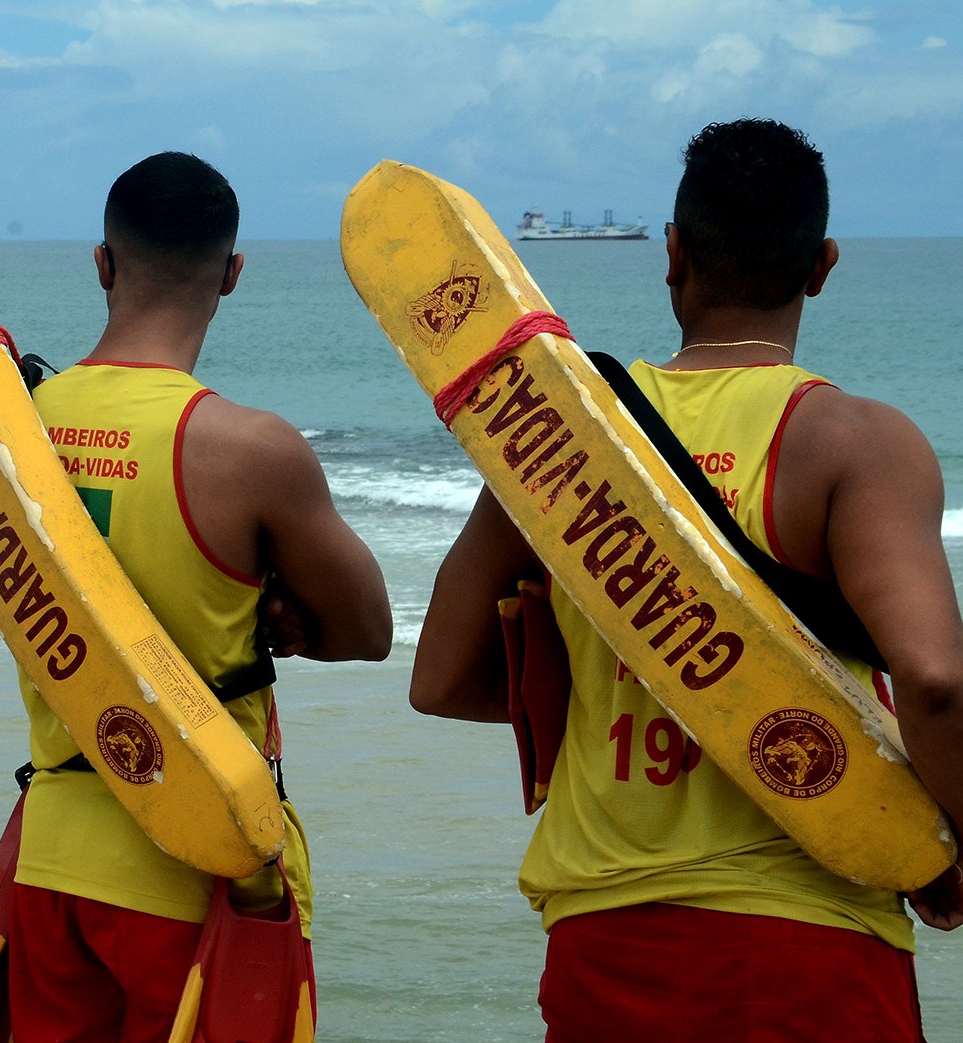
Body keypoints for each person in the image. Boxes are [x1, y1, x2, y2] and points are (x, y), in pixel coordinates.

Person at [409, 118, 963, 1040]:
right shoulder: (852, 443)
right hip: (802, 939)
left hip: (602, 940)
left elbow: (439, 680)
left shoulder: (566, 440)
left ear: (672, 254)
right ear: (822, 264)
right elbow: (937, 682)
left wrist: (626, 685)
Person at [9, 151, 393, 1040]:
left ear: (101, 263)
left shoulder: (18, 423)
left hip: (53, 845)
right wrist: (280, 616)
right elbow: (368, 629)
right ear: (232, 276)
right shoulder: (248, 449)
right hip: (199, 856)